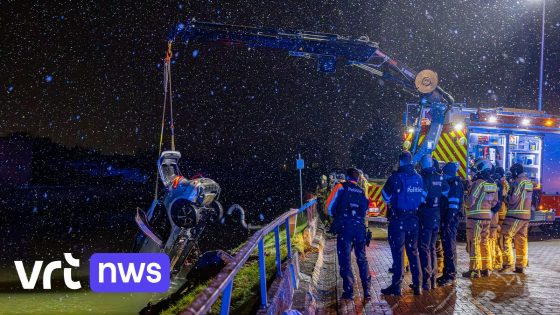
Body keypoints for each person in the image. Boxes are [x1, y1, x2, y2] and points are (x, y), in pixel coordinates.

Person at [380, 151, 424, 296]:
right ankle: (418, 285)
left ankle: (396, 286)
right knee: (413, 252)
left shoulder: (395, 177)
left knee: (398, 254)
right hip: (414, 220)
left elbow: (385, 197)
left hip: (398, 219)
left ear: (400, 162)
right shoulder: (419, 178)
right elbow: (422, 198)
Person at [325, 168, 371, 300]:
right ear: (357, 179)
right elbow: (365, 209)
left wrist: (338, 216)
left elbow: (328, 207)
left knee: (345, 259)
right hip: (360, 228)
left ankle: (349, 291)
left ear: (346, 176)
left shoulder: (340, 187)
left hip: (345, 228)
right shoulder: (362, 192)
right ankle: (367, 290)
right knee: (362, 259)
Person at [417, 154, 449, 291]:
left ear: (423, 165)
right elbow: (446, 192)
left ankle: (426, 280)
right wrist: (437, 198)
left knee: (424, 248)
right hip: (436, 215)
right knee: (432, 248)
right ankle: (433, 279)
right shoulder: (439, 177)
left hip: (426, 216)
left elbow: (421, 198)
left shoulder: (425, 177)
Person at [463, 158, 498, 278]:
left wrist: (465, 196)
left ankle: (474, 269)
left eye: (477, 169)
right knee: (484, 242)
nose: (475, 172)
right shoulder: (493, 184)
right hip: (487, 218)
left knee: (474, 242)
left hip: (475, 218)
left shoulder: (479, 183)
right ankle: (486, 268)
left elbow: (470, 202)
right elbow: (494, 203)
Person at [500, 163, 533, 273]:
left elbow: (513, 199)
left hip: (515, 215)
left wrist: (505, 197)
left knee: (505, 237)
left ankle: (508, 262)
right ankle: (521, 265)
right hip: (525, 215)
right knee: (521, 239)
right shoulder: (528, 182)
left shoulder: (518, 182)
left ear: (515, 172)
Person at [436, 162, 464, 286]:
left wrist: (447, 221)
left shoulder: (454, 184)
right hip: (448, 219)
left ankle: (450, 275)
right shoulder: (452, 183)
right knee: (447, 246)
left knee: (449, 247)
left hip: (450, 220)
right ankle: (447, 273)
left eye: (445, 174)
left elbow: (453, 206)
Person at [492, 166, 509, 270]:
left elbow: (502, 196)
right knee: (500, 239)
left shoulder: (501, 183)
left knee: (498, 239)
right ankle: (502, 260)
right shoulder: (505, 182)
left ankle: (499, 261)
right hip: (502, 213)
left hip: (500, 213)